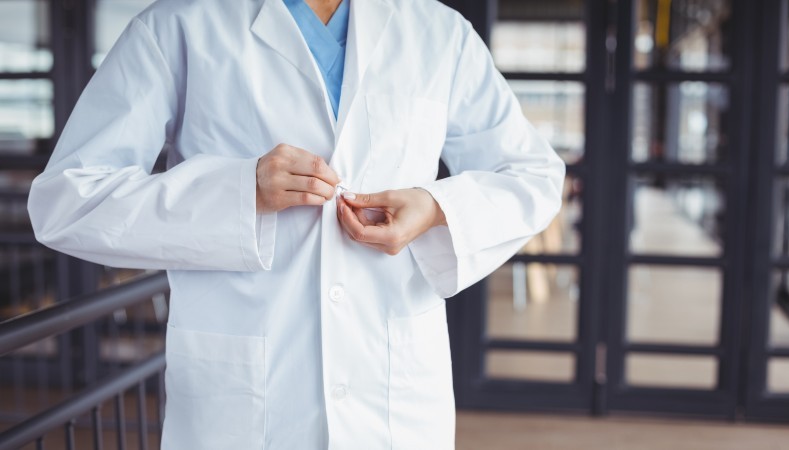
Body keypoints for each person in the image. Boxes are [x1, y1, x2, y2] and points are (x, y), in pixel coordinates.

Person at [27, 0, 565, 448]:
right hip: (243, 406)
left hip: (395, 399)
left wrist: (434, 207)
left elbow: (533, 176)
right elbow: (67, 200)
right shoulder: (181, 24)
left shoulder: (437, 31)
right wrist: (240, 192)